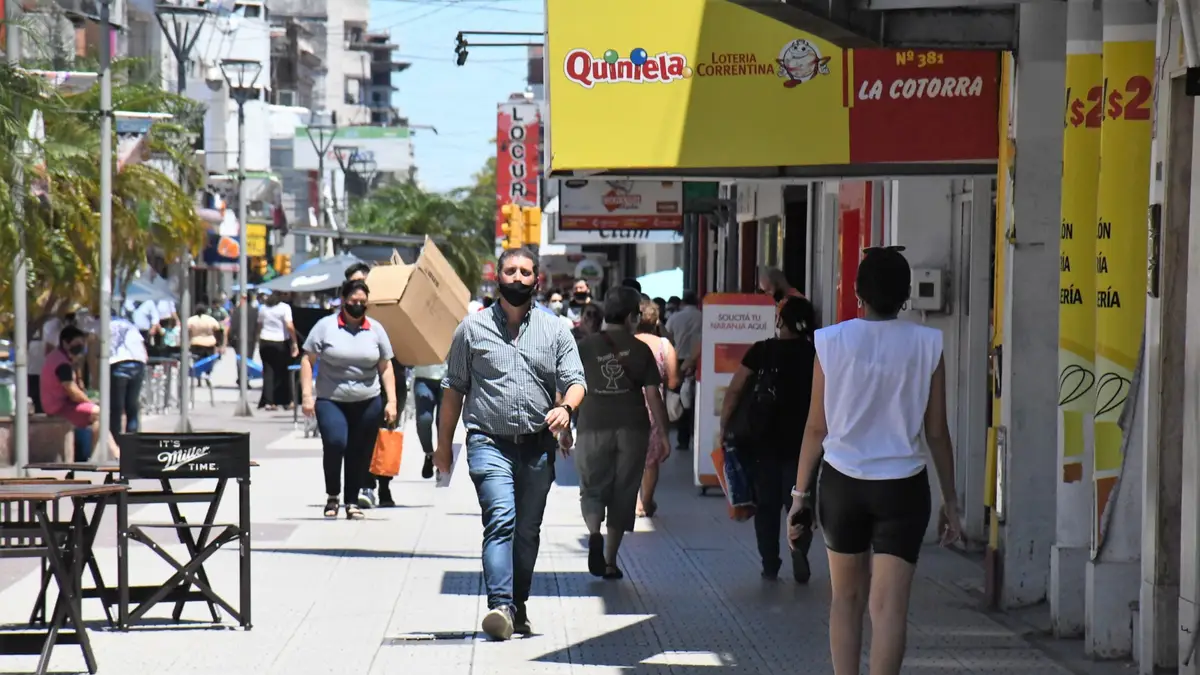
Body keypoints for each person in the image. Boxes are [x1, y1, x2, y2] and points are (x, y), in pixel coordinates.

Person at [788, 246, 961, 675]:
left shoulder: (830, 342)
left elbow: (816, 428)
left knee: (845, 600)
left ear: (856, 292)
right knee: (889, 608)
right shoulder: (928, 344)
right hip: (904, 487)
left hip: (842, 485)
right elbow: (936, 432)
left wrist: (799, 495)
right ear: (905, 295)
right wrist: (951, 500)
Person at [436, 247, 586, 641]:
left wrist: (566, 409)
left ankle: (518, 605)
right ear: (497, 277)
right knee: (501, 519)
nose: (517, 278)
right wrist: (442, 446)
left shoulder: (555, 330)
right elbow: (453, 389)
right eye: (510, 271)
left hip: (537, 445)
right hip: (488, 441)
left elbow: (576, 381)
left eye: (525, 272)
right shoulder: (471, 329)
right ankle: (500, 605)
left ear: (536, 280)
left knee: (528, 531)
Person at [720, 296, 819, 581]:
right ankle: (798, 549)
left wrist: (725, 426)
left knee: (767, 506)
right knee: (799, 500)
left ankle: (770, 562)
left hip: (762, 441)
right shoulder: (815, 353)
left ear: (782, 321)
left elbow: (735, 390)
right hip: (803, 442)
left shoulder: (762, 350)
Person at [573, 287, 669, 580]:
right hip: (632, 428)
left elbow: (569, 385)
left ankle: (594, 533)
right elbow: (653, 396)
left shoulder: (586, 346)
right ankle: (610, 561)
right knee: (624, 491)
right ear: (631, 317)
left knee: (592, 486)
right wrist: (664, 434)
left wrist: (563, 427)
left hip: (592, 424)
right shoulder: (641, 349)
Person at [300, 279, 398, 520]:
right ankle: (333, 494)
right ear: (343, 301)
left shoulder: (376, 330)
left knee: (359, 452)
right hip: (331, 399)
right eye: (354, 301)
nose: (358, 305)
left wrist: (392, 401)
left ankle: (352, 501)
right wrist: (306, 396)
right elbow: (307, 360)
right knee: (335, 443)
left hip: (368, 401)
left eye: (363, 302)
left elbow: (386, 366)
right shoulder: (325, 327)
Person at [344, 261, 408, 508]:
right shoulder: (345, 317)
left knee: (387, 434)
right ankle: (366, 485)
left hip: (392, 379)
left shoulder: (392, 309)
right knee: (363, 437)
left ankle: (384, 486)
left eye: (363, 282)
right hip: (360, 383)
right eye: (354, 284)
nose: (359, 289)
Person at [39, 326, 120, 461]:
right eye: (77, 344)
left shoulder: (58, 357)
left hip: (59, 403)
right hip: (58, 406)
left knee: (98, 418)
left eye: (82, 344)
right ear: (65, 343)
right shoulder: (62, 364)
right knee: (97, 412)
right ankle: (108, 454)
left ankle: (106, 454)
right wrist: (89, 402)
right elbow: (72, 391)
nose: (80, 347)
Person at [633, 299, 677, 518]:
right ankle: (645, 502)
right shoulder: (664, 345)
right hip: (654, 406)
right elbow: (674, 381)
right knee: (650, 459)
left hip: (627, 403)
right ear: (656, 321)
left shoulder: (625, 343)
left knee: (629, 456)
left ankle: (632, 502)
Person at [665, 291, 702, 452]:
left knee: (678, 400)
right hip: (698, 360)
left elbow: (667, 337)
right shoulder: (702, 317)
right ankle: (696, 435)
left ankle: (683, 440)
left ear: (682, 303)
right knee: (695, 400)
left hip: (677, 361)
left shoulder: (675, 318)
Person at [258, 291, 299, 411]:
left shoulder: (263, 308)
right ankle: (285, 400)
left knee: (268, 371)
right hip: (280, 341)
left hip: (265, 341)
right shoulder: (285, 308)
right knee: (282, 371)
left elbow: (259, 325)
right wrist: (294, 342)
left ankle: (269, 402)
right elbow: (289, 326)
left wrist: (258, 338)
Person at [110, 313, 148, 436]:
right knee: (132, 405)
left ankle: (115, 439)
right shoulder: (130, 325)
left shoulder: (105, 324)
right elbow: (143, 349)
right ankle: (132, 438)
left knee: (116, 407)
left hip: (117, 362)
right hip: (138, 362)